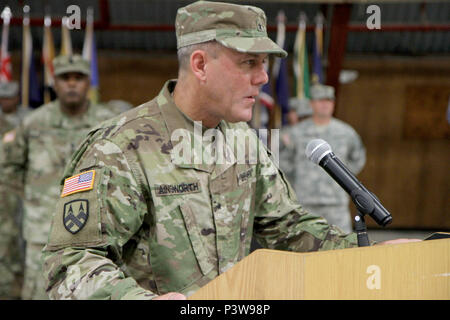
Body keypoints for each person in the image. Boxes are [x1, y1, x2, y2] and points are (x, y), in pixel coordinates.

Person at [42, 1, 420, 300]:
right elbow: (69, 261)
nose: (263, 77)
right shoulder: (119, 148)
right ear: (200, 64)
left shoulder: (243, 143)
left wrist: (368, 255)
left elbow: (289, 229)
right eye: (249, 63)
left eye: (265, 64)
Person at [0, 55, 118, 299]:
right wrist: (34, 198)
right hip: (42, 231)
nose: (72, 84)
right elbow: (10, 165)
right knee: (39, 292)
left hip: (94, 232)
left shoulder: (107, 123)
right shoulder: (34, 123)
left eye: (78, 78)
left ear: (89, 83)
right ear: (54, 83)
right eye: (65, 78)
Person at [281, 84, 366, 233]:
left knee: (342, 248)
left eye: (329, 100)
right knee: (305, 246)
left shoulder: (345, 132)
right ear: (312, 104)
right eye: (321, 100)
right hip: (305, 202)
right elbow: (283, 160)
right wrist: (297, 180)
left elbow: (358, 157)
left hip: (336, 203)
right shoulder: (297, 132)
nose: (325, 104)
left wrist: (344, 177)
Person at [0, 81, 28, 299]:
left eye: (9, 96)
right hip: (4, 187)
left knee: (20, 233)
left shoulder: (28, 119)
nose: (5, 101)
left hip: (21, 186)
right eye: (2, 97)